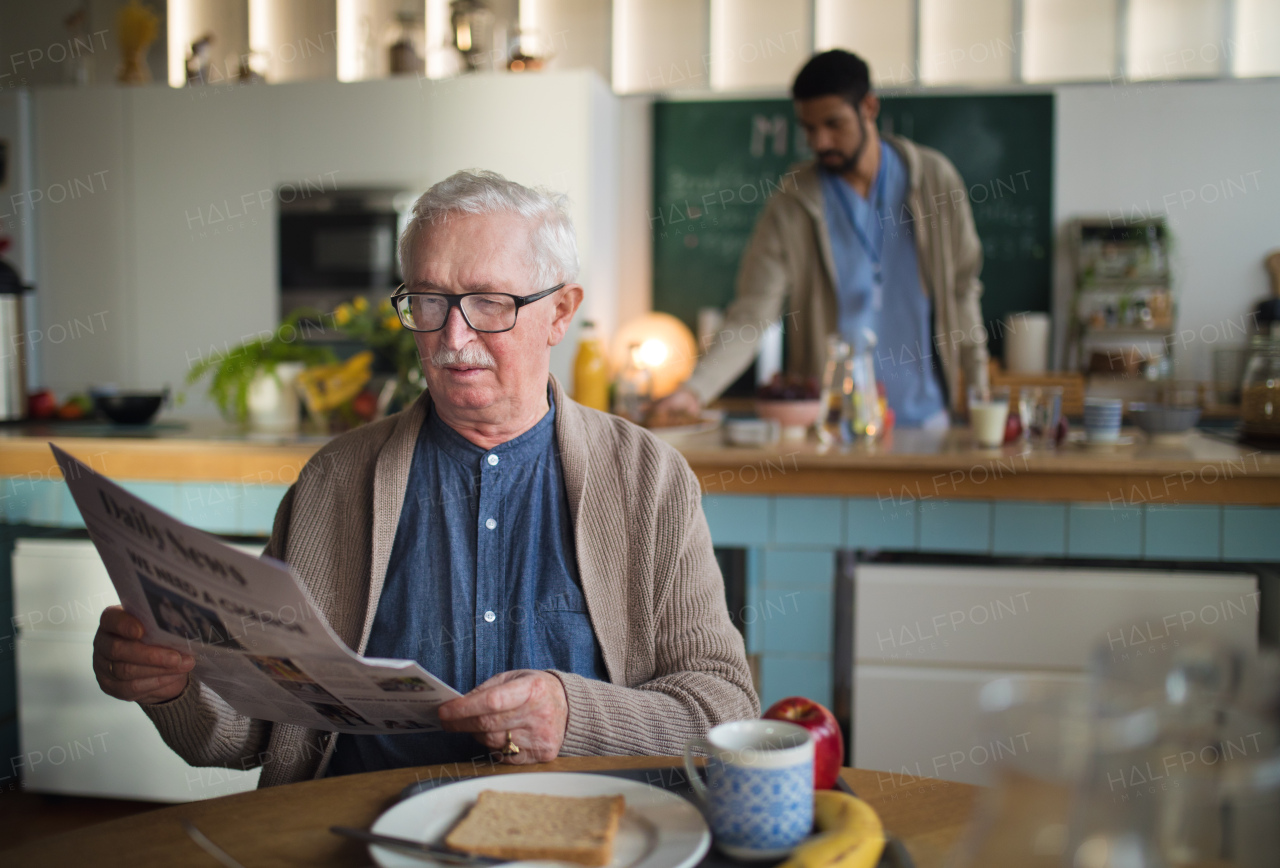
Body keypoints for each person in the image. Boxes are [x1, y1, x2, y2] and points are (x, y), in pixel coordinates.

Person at [92, 170, 758, 786]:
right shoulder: (333, 482)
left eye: (490, 303)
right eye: (429, 301)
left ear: (560, 312)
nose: (453, 335)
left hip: (576, 834)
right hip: (359, 835)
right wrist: (175, 685)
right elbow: (254, 731)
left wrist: (573, 716)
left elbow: (723, 711)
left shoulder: (649, 481)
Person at [654, 49, 989, 429]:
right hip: (830, 429)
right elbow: (751, 315)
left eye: (834, 124)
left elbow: (963, 291)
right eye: (809, 129)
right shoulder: (791, 203)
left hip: (927, 421)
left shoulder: (934, 180)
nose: (822, 142)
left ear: (869, 107)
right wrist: (695, 390)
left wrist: (981, 394)